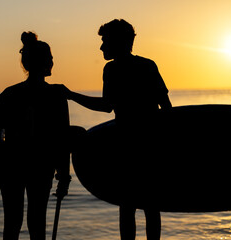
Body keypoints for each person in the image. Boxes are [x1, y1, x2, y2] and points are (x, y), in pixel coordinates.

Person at [64, 19, 172, 240]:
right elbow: (167, 108)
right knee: (151, 206)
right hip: (151, 146)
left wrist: (72, 95)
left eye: (105, 41)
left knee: (128, 205)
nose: (101, 47)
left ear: (119, 42)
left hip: (126, 147)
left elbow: (106, 107)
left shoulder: (112, 69)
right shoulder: (147, 65)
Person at [0, 31, 71, 240]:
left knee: (12, 223)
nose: (53, 61)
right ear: (43, 62)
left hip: (11, 164)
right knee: (37, 223)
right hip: (41, 165)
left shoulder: (9, 93)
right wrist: (63, 175)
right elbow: (63, 139)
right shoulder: (56, 96)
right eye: (50, 57)